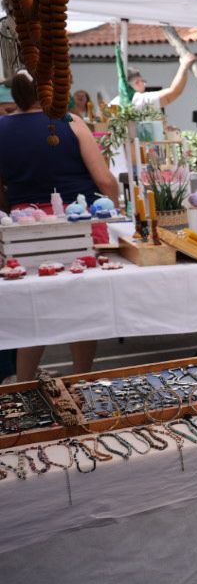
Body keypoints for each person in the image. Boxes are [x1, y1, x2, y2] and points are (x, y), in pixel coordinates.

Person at [0, 71, 119, 381]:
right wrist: (117, 206)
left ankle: (24, 383)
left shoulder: (1, 128)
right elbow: (105, 180)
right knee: (81, 305)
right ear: (49, 91)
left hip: (23, 229)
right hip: (77, 225)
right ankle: (80, 379)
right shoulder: (70, 122)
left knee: (33, 307)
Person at [124, 56, 197, 114]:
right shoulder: (139, 99)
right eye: (143, 81)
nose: (144, 85)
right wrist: (184, 67)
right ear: (137, 82)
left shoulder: (115, 102)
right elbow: (173, 93)